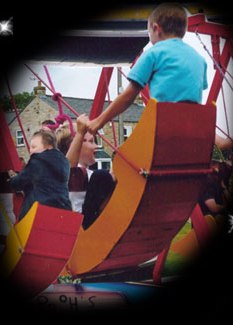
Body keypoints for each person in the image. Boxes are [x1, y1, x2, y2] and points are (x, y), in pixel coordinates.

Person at [86, 2, 208, 135]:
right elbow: (191, 98)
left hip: (165, 126)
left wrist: (98, 122)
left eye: (149, 32)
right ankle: (217, 138)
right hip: (193, 130)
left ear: (156, 28)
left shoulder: (154, 53)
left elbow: (128, 96)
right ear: (183, 30)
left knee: (125, 155)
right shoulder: (200, 60)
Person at [56, 115, 116, 228]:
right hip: (78, 230)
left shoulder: (88, 173)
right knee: (101, 176)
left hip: (90, 225)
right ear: (75, 145)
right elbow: (68, 170)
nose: (96, 146)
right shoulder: (71, 173)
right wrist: (80, 133)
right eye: (91, 141)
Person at [8, 129, 72, 221]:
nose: (31, 150)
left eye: (34, 147)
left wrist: (12, 178)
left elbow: (18, 183)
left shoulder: (37, 161)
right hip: (62, 209)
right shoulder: (64, 162)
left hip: (38, 211)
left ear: (49, 147)